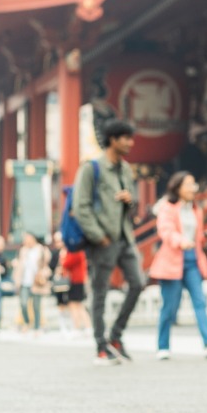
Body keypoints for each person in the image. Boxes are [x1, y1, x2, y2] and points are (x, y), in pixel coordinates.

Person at [72, 119, 145, 365]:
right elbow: (80, 206)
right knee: (100, 292)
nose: (131, 143)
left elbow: (132, 199)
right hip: (103, 240)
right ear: (113, 140)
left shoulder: (125, 169)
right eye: (126, 138)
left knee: (137, 283)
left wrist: (130, 200)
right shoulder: (91, 168)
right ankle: (100, 346)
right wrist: (97, 235)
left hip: (125, 236)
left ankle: (115, 336)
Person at [150, 171, 207, 360]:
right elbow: (165, 231)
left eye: (194, 184)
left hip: (192, 260)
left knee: (200, 301)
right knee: (169, 307)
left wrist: (206, 236)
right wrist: (180, 241)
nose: (193, 188)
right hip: (172, 261)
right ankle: (163, 346)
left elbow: (196, 235)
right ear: (177, 188)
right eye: (188, 184)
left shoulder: (196, 209)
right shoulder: (167, 208)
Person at [52, 233, 89, 337]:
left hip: (76, 280)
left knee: (75, 305)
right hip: (76, 280)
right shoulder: (73, 250)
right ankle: (86, 327)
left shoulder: (74, 250)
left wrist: (63, 260)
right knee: (78, 305)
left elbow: (67, 263)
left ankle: (78, 328)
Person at [16, 232, 50, 337]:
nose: (26, 241)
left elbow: (46, 263)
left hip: (37, 281)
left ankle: (36, 328)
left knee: (36, 306)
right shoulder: (23, 250)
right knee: (23, 303)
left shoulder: (42, 249)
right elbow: (20, 264)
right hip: (24, 281)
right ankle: (26, 322)